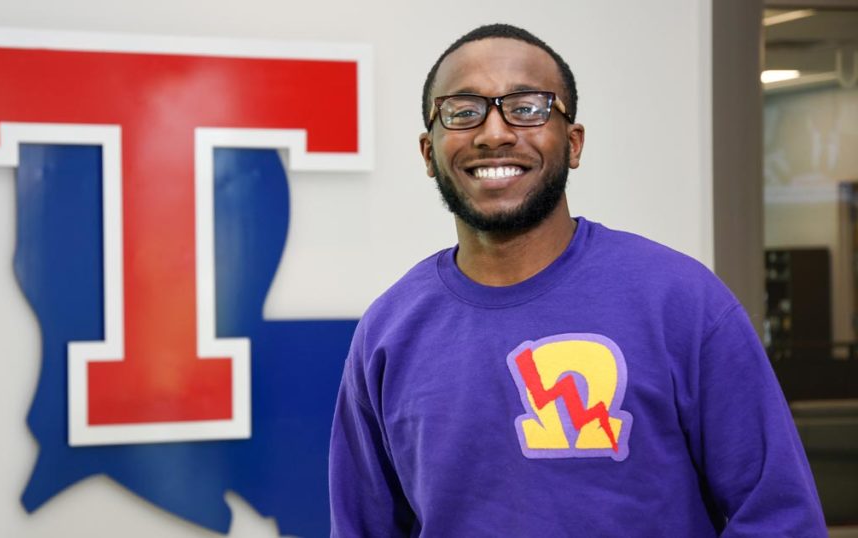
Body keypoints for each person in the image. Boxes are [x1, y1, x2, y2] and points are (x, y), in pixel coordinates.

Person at [328, 23, 826, 537]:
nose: (494, 132)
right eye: (463, 111)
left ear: (573, 142)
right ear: (429, 153)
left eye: (527, 108)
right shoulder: (387, 333)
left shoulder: (682, 303)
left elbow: (780, 518)